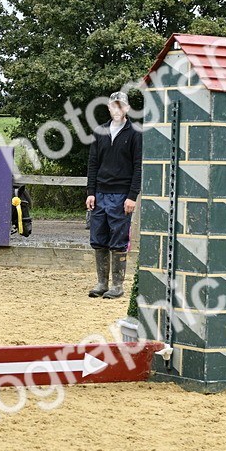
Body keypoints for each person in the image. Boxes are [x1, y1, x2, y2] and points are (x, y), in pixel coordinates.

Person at [85, 91, 142, 299]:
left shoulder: (135, 133)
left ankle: (117, 285)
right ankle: (102, 283)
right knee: (98, 239)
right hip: (100, 194)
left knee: (118, 239)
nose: (117, 110)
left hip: (121, 195)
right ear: (109, 108)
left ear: (126, 108)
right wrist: (91, 192)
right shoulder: (99, 132)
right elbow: (93, 164)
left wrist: (132, 196)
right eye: (113, 106)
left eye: (121, 106)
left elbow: (138, 167)